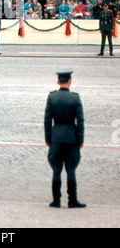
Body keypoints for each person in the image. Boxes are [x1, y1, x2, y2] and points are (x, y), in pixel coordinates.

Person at [44, 70, 86, 209]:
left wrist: (48, 138)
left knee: (56, 170)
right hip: (71, 137)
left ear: (57, 82)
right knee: (71, 169)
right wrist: (80, 140)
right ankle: (72, 200)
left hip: (56, 136)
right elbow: (80, 121)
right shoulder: (75, 98)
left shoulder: (52, 97)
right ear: (70, 81)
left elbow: (47, 120)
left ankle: (56, 201)